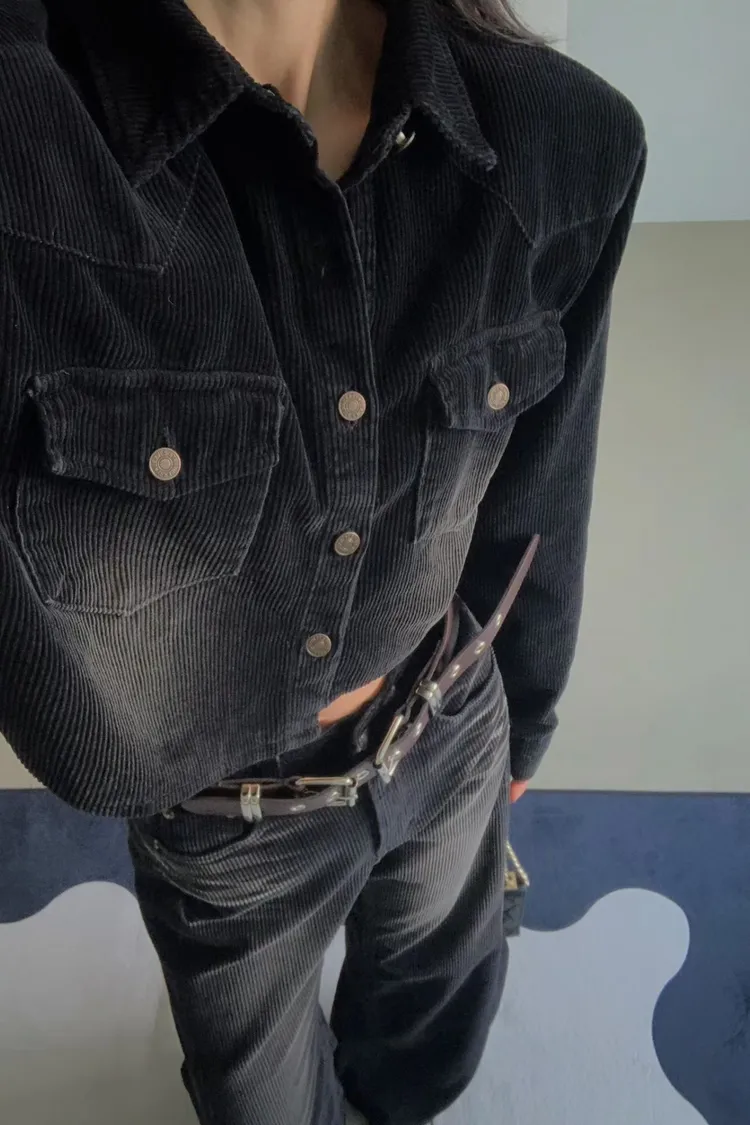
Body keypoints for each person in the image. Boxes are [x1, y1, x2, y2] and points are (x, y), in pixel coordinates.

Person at [0, 0, 646, 1122]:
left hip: (449, 719)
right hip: (223, 821)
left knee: (435, 1029)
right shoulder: (28, 143)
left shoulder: (564, 141)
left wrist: (527, 714)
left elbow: (544, 483)